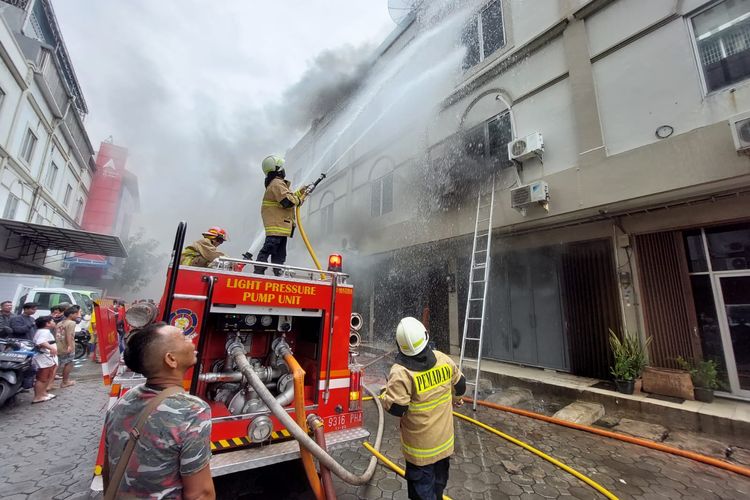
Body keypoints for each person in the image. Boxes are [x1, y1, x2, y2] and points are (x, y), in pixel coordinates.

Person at [103, 322, 215, 499]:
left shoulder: (124, 400)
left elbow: (108, 471)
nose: (191, 338)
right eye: (184, 337)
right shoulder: (192, 411)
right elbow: (201, 493)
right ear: (171, 359)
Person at [380, 317, 466, 500]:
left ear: (399, 345)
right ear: (426, 336)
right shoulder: (443, 359)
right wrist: (456, 399)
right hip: (444, 446)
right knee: (438, 486)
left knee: (422, 493)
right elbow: (461, 384)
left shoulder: (400, 372)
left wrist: (384, 396)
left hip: (420, 454)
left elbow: (398, 409)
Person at [250, 155, 308, 276]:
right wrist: (300, 200)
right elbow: (288, 202)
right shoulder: (277, 183)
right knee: (269, 248)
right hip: (277, 225)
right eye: (281, 167)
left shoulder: (277, 184)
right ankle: (258, 272)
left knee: (280, 254)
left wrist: (301, 192)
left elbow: (288, 196)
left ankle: (278, 273)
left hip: (281, 226)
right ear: (277, 169)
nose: (283, 169)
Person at [31, 316, 58, 404]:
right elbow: (41, 342)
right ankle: (38, 396)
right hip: (43, 357)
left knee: (47, 376)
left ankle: (43, 393)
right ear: (47, 323)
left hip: (47, 356)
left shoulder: (43, 331)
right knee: (42, 377)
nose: (54, 322)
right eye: (52, 321)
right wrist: (51, 348)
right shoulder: (44, 331)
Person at [54, 306, 79, 388]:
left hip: (58, 346)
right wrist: (70, 346)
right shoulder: (71, 323)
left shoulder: (59, 323)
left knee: (57, 365)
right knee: (69, 363)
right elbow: (69, 335)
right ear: (71, 314)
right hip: (67, 346)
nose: (77, 315)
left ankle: (49, 383)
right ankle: (65, 381)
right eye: (76, 314)